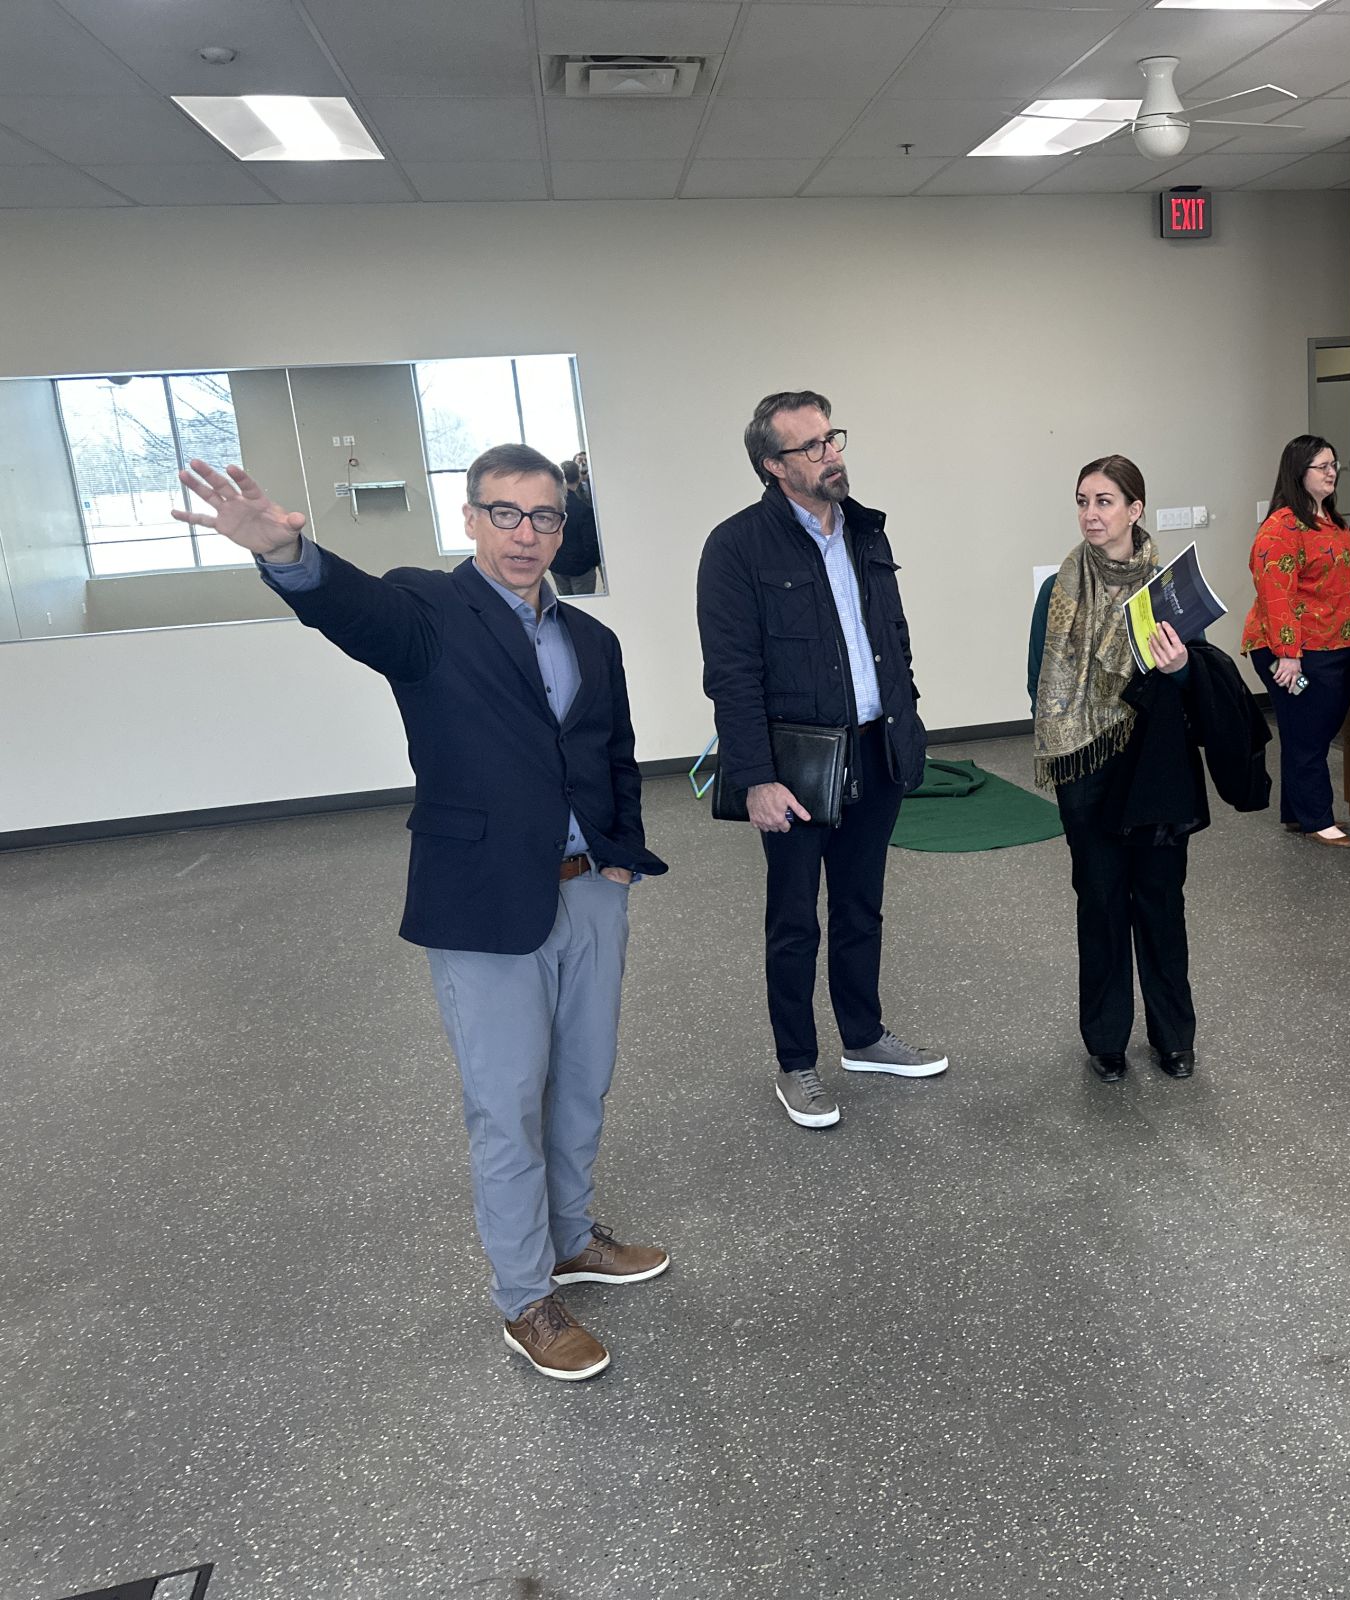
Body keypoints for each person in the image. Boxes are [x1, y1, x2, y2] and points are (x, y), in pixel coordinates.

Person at [174, 445, 670, 1384]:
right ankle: (525, 1295)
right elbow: (352, 610)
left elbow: (613, 755)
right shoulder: (430, 613)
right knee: (507, 1102)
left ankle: (571, 1236)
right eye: (507, 514)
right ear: (472, 519)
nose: (528, 535)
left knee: (581, 1083)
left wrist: (620, 865)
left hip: (589, 892)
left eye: (546, 517)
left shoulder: (591, 640)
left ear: (565, 527)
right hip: (482, 902)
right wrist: (288, 557)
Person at [697, 391, 945, 1130]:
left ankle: (864, 1037)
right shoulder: (736, 547)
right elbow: (731, 674)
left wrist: (908, 717)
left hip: (876, 746)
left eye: (831, 437)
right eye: (809, 447)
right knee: (794, 919)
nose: (830, 453)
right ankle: (796, 1063)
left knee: (861, 906)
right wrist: (755, 779)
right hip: (797, 764)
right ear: (772, 466)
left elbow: (890, 635)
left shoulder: (865, 529)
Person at [1029, 456, 1206, 1082]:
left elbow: (1197, 686)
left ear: (1135, 510)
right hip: (1085, 767)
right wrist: (1071, 736)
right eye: (1082, 501)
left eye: (1105, 502)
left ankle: (1172, 1036)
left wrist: (1179, 667)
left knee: (1160, 900)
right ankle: (1105, 1038)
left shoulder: (1166, 587)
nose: (1090, 514)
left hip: (1153, 769)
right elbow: (1038, 681)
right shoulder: (1059, 589)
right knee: (1099, 902)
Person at [1241, 434, 1350, 847]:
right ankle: (1316, 818)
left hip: (1335, 646)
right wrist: (1287, 656)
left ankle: (1298, 812)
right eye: (1322, 467)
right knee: (1309, 735)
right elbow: (1277, 594)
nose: (1332, 473)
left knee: (1305, 732)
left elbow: (1341, 570)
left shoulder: (1329, 520)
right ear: (1299, 472)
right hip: (1299, 651)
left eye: (1334, 466)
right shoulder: (1281, 528)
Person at [551, 457, 601, 595]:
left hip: (557, 564)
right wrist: (592, 563)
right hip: (580, 568)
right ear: (578, 478)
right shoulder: (583, 509)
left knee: (566, 606)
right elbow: (590, 542)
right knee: (584, 607)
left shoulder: (549, 507)